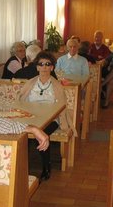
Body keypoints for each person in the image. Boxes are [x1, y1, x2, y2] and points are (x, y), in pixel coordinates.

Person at [20, 51, 76, 181]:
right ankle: (23, 168)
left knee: (41, 133)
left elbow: (61, 107)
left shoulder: (57, 86)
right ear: (37, 67)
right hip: (32, 117)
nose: (44, 67)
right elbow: (21, 101)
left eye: (47, 64)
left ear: (52, 67)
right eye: (41, 64)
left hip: (52, 119)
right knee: (22, 134)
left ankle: (46, 167)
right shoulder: (30, 84)